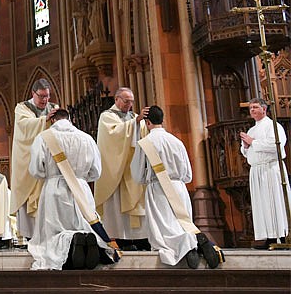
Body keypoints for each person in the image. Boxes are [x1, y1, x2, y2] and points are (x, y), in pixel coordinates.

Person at [131, 106, 221, 269]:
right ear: (162, 120)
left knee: (164, 229)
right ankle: (192, 242)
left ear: (147, 122)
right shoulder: (176, 141)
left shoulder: (145, 143)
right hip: (179, 187)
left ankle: (185, 245)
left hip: (158, 188)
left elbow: (137, 174)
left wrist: (146, 179)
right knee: (181, 223)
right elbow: (188, 175)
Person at [27, 109, 116, 270]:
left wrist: (50, 175)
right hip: (81, 190)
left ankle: (73, 241)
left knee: (53, 233)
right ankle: (85, 241)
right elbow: (96, 171)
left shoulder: (43, 138)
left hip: (54, 190)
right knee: (82, 225)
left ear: (53, 120)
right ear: (70, 120)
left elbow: (35, 170)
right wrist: (80, 178)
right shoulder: (87, 138)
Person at [95, 87, 150, 251]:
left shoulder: (134, 117)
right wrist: (135, 123)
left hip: (132, 169)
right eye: (126, 101)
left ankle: (139, 239)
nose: (130, 105)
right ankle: (120, 239)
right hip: (116, 171)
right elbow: (113, 137)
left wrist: (141, 123)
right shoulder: (107, 117)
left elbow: (142, 137)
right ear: (117, 99)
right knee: (116, 209)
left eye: (132, 101)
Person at [10, 78, 59, 242]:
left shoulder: (54, 108)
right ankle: (30, 235)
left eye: (47, 96)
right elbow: (25, 127)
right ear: (33, 93)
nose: (45, 100)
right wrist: (45, 120)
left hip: (49, 163)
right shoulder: (22, 107)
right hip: (27, 161)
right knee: (28, 195)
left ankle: (50, 234)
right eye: (41, 96)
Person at [240, 97, 290, 250]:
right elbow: (245, 152)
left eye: (255, 107)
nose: (252, 110)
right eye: (250, 108)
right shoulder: (252, 130)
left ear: (264, 109)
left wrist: (253, 142)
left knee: (274, 201)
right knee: (262, 204)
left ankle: (281, 236)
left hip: (271, 169)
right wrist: (246, 146)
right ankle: (268, 237)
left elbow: (276, 144)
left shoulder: (273, 126)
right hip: (257, 169)